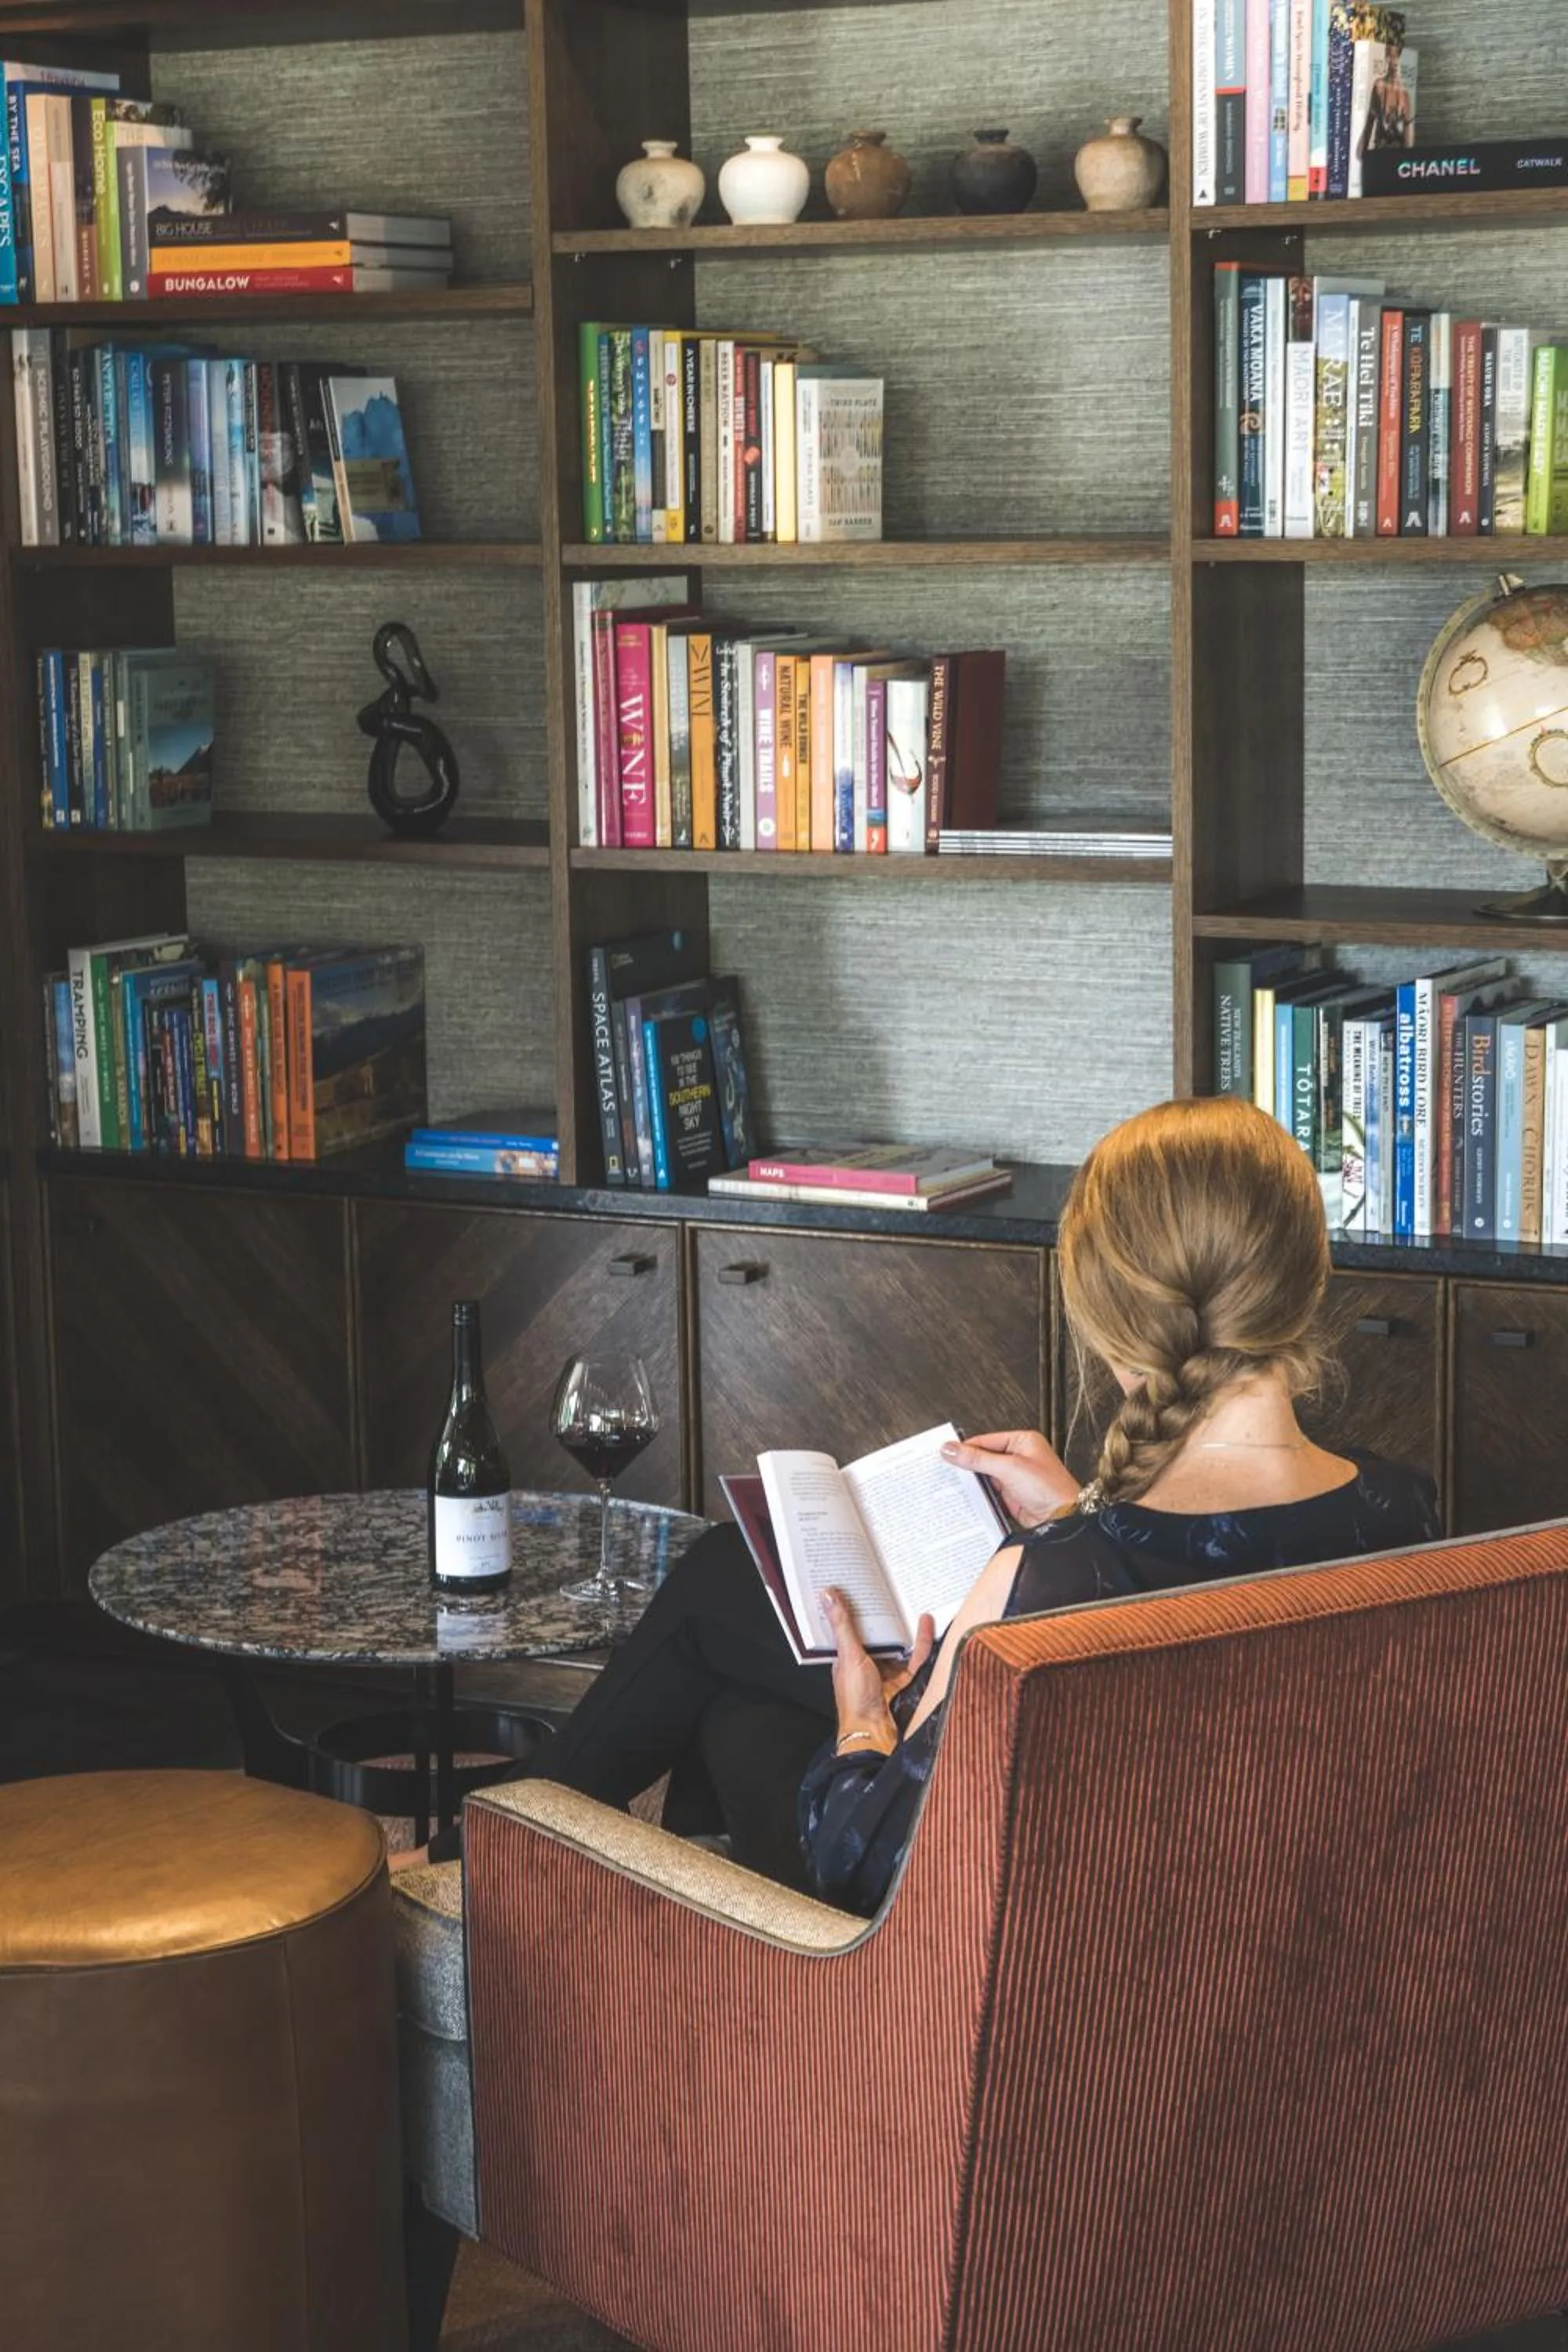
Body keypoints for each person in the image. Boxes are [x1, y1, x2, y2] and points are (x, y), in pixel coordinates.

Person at [419, 1098, 1439, 1914]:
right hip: (1248, 1901)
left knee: (732, 1667)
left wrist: (868, 1728)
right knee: (728, 1661)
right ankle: (533, 1847)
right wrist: (1079, 1507)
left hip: (989, 1955)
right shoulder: (1404, 1517)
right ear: (1309, 1277)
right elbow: (1212, 1589)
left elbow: (871, 1861)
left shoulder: (1051, 1581)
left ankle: (499, 1850)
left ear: (1106, 1313)